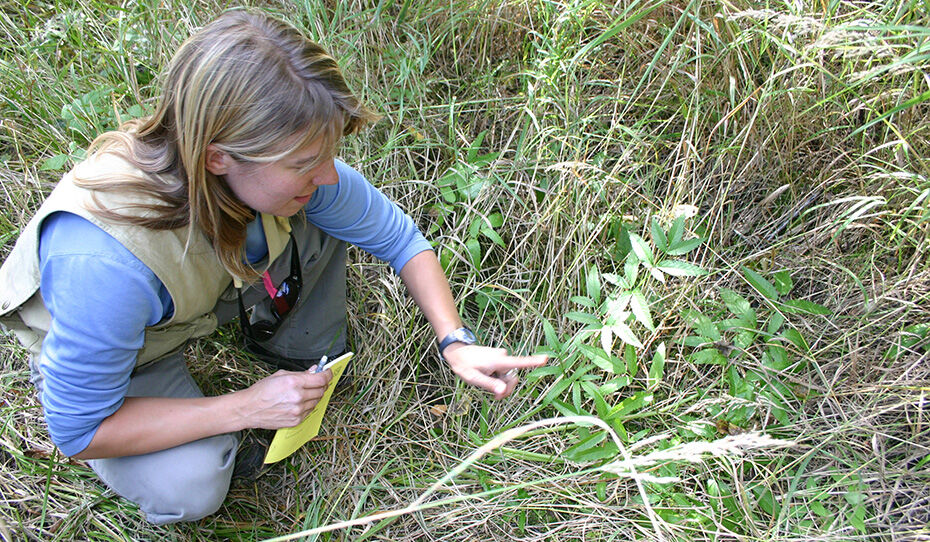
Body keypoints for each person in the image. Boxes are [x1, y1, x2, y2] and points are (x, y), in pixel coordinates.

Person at [0, 9, 546, 525]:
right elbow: (79, 433)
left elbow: (398, 237)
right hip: (132, 352)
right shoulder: (105, 262)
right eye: (306, 163)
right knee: (191, 484)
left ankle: (294, 347)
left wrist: (454, 339)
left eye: (326, 154)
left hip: (191, 295)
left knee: (316, 211)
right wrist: (246, 407)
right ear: (219, 156)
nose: (329, 177)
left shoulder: (265, 174)